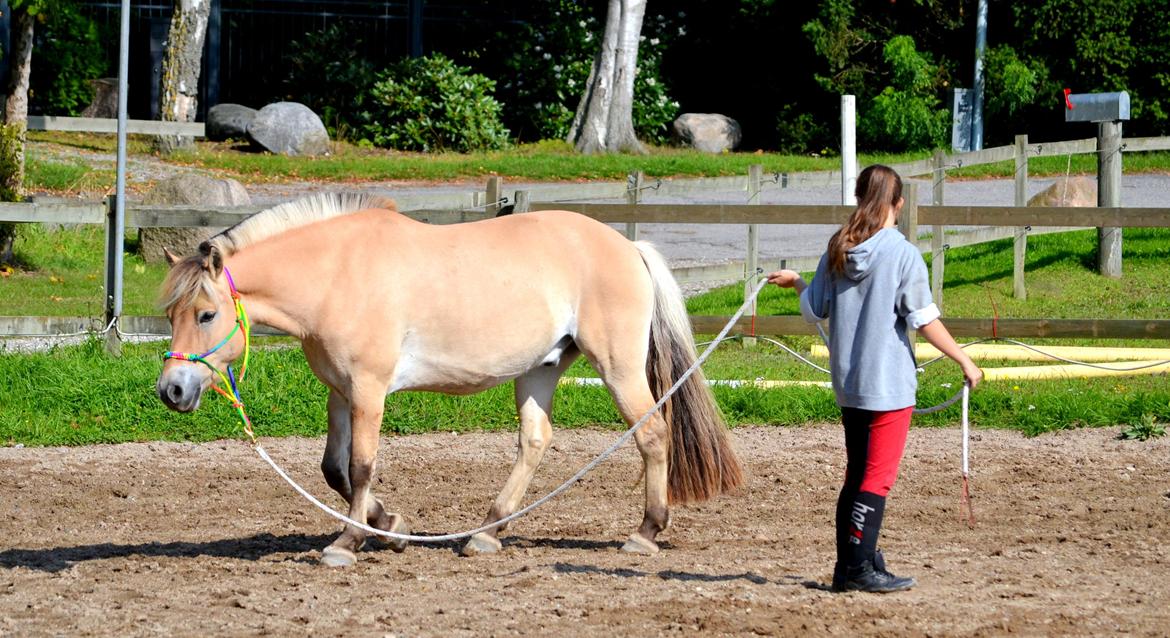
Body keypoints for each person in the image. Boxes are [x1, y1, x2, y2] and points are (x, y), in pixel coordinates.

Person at [767, 164, 982, 593]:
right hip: (888, 387)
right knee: (875, 479)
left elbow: (815, 310)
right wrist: (964, 360)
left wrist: (798, 284)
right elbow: (924, 319)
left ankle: (851, 564)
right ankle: (859, 570)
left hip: (849, 385)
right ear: (898, 204)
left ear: (859, 197)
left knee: (856, 476)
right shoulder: (902, 254)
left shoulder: (839, 248)